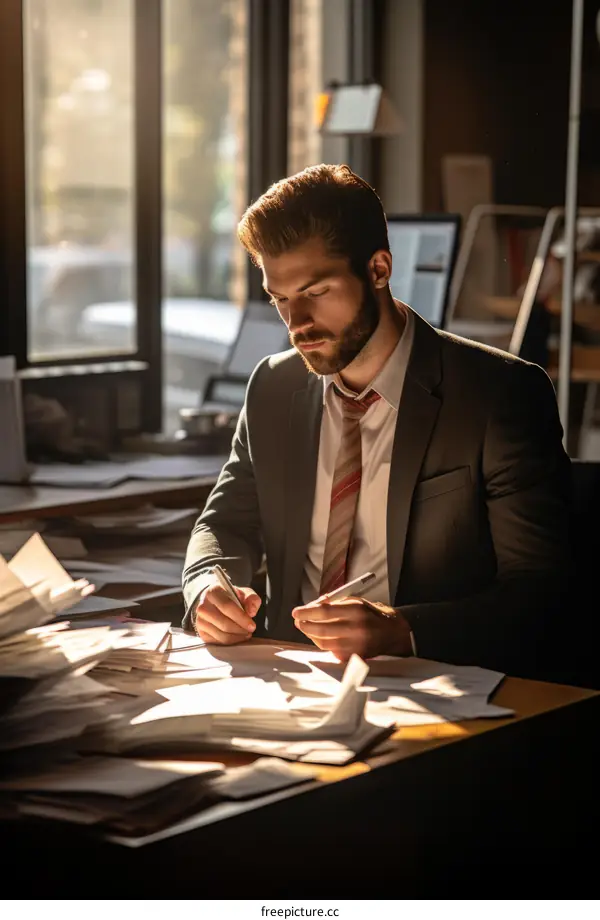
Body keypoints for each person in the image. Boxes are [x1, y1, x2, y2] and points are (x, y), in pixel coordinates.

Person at [182, 164, 571, 676]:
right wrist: (209, 584)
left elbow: (541, 594)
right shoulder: (273, 388)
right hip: (289, 682)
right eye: (281, 300)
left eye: (316, 292)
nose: (297, 325)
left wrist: (402, 629)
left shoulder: (499, 396)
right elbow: (224, 524)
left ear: (379, 269)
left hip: (434, 685)